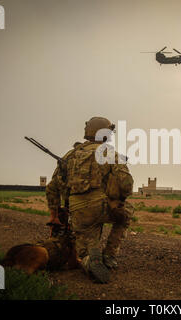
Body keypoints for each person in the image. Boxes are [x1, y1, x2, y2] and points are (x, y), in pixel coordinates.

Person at [46, 116, 134, 283]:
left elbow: (52, 187)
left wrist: (55, 213)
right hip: (102, 206)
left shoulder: (70, 155)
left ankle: (89, 259)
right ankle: (109, 255)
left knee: (85, 249)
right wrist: (119, 198)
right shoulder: (109, 153)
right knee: (126, 213)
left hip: (77, 211)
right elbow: (127, 183)